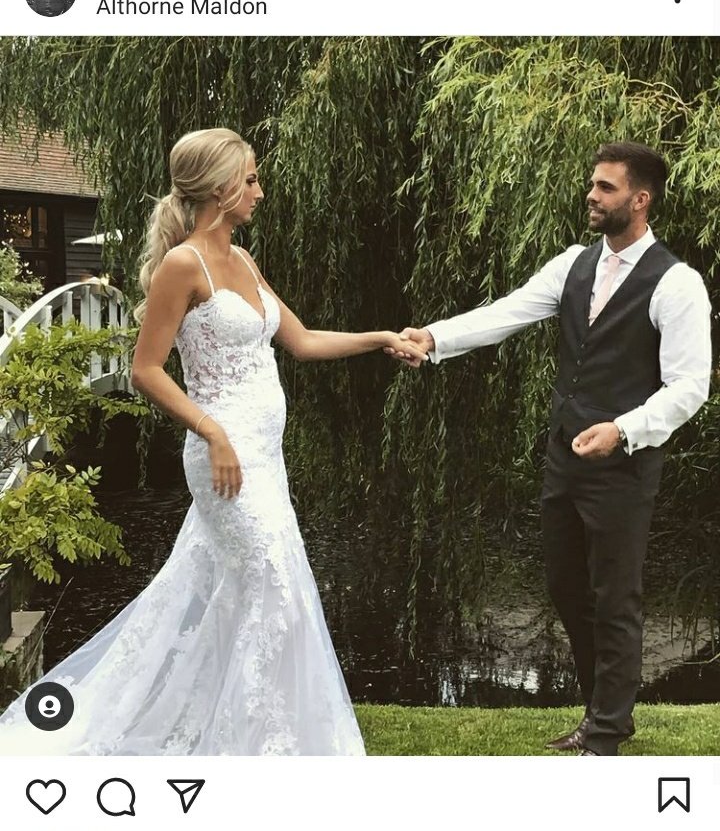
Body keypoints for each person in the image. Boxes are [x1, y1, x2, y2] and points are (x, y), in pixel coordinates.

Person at [0, 128, 423, 755]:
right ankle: (249, 745)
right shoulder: (183, 265)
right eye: (250, 179)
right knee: (274, 587)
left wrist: (381, 337)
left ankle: (247, 734)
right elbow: (145, 370)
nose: (259, 191)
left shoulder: (243, 261)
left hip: (265, 458)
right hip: (222, 454)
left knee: (251, 592)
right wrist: (212, 430)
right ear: (220, 187)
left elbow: (302, 341)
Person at [387, 142, 712, 756]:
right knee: (567, 587)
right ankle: (602, 712)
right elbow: (507, 312)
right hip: (565, 456)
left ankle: (606, 730)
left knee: (615, 596)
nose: (592, 194)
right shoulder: (573, 264)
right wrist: (433, 338)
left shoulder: (677, 284)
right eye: (593, 183)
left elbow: (690, 386)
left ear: (640, 199)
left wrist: (624, 429)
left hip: (624, 463)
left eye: (607, 187)